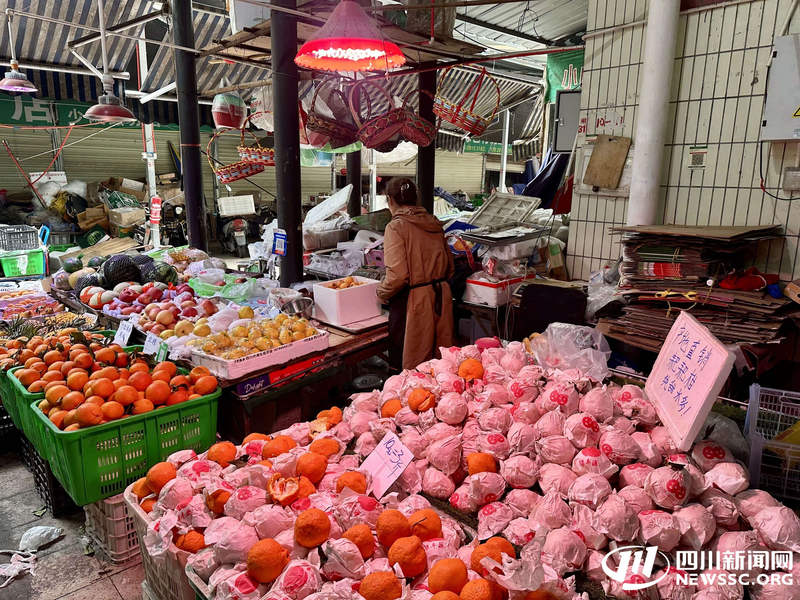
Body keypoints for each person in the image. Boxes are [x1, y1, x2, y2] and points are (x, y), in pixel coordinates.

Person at [376, 178, 454, 371]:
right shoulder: (434, 223)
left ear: (390, 200)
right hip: (441, 299)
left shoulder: (396, 227)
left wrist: (381, 293)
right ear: (416, 199)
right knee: (439, 364)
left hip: (412, 303)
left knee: (411, 367)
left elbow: (398, 277)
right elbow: (450, 268)